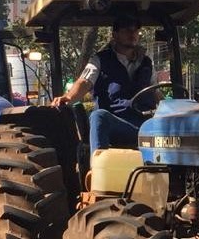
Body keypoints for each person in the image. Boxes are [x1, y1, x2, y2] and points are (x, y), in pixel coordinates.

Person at [52, 19, 154, 153]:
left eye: (135, 30)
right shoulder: (100, 60)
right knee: (99, 116)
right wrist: (68, 97)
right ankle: (97, 168)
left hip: (145, 124)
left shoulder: (146, 62)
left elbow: (155, 91)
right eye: (127, 30)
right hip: (116, 123)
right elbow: (84, 82)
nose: (132, 33)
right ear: (115, 35)